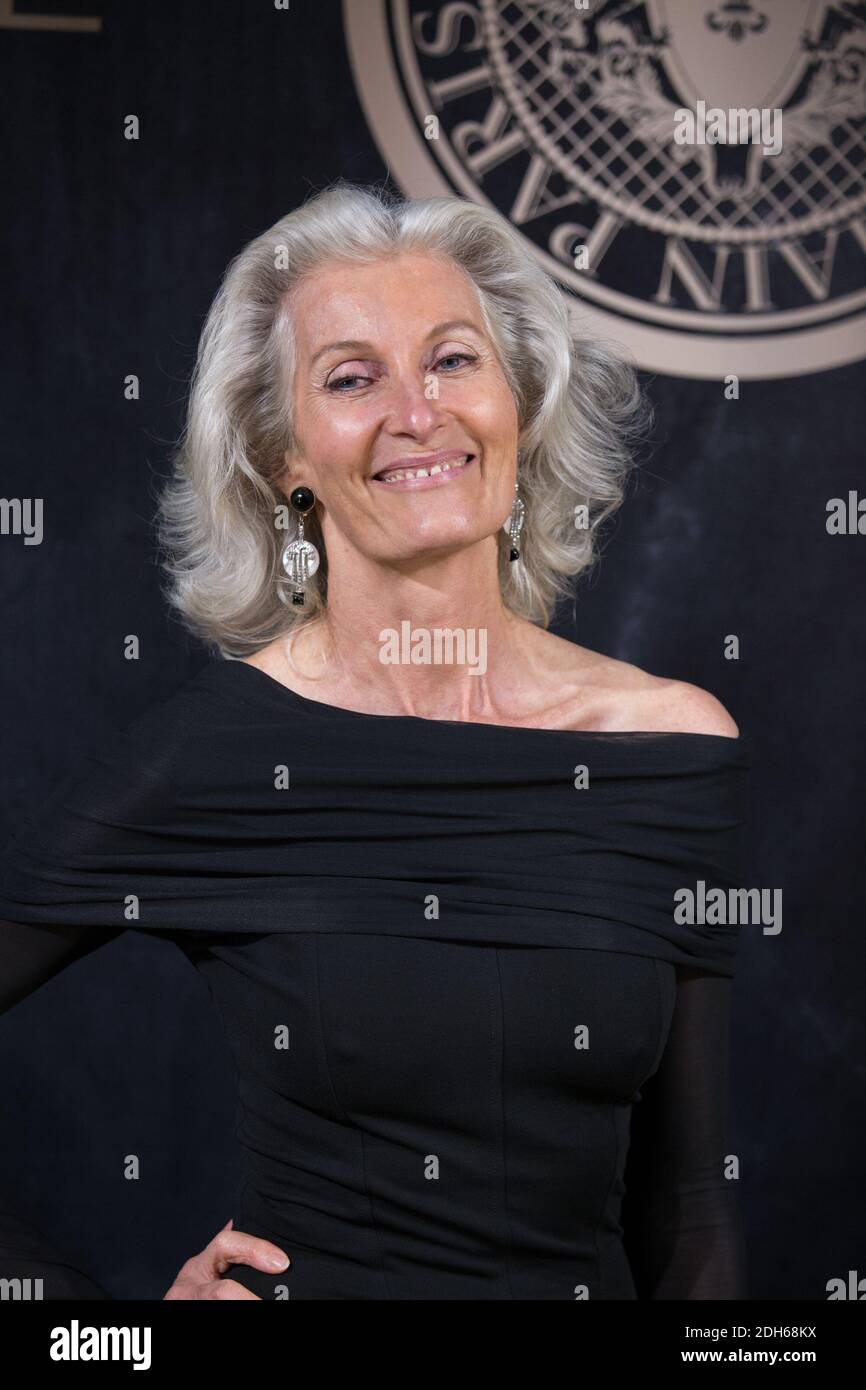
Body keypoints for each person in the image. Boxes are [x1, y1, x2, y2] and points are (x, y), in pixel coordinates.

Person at [0, 182, 749, 1300]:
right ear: (282, 458)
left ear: (517, 401)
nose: (417, 410)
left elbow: (688, 1215)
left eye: (452, 360)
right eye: (351, 378)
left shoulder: (667, 747)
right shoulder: (218, 755)